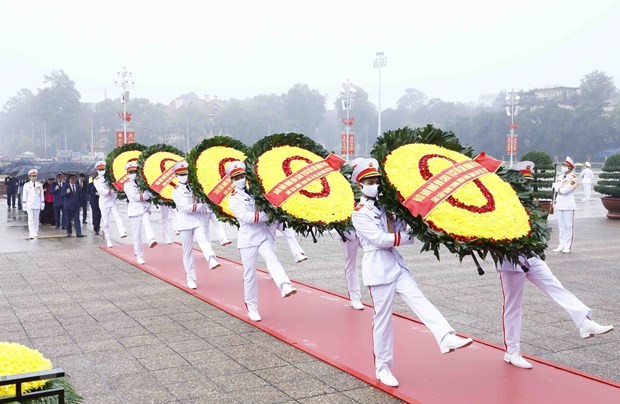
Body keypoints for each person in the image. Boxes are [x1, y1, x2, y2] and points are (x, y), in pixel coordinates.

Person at [351, 158, 472, 387]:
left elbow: (394, 229)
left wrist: (409, 220)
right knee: (383, 321)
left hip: (396, 265)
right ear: (360, 185)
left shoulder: (385, 206)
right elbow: (379, 239)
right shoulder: (359, 213)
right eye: (369, 181)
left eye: (377, 180)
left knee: (420, 300)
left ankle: (446, 336)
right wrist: (407, 237)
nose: (374, 184)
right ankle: (383, 368)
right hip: (377, 269)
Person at [497, 161, 614, 369]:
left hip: (531, 255)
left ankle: (584, 323)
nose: (526, 184)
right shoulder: (500, 202)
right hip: (511, 262)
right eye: (523, 181)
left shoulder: (527, 200)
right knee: (513, 306)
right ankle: (512, 351)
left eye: (528, 181)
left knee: (556, 286)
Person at [226, 160, 297, 322]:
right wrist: (268, 215)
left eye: (242, 176)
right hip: (247, 239)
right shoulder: (234, 198)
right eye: (236, 177)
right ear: (232, 180)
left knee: (272, 259)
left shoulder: (255, 192)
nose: (240, 179)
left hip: (262, 235)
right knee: (249, 274)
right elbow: (246, 217)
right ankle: (252, 307)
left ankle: (285, 285)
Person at [171, 161, 221, 289]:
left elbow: (200, 199)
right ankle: (190, 278)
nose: (184, 176)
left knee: (203, 239)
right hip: (185, 223)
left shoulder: (194, 187)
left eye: (185, 174)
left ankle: (211, 259)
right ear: (176, 176)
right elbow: (184, 208)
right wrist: (201, 206)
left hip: (196, 220)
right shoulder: (176, 191)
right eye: (181, 174)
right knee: (187, 251)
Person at [124, 160, 157, 264]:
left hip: (144, 208)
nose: (132, 174)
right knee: (137, 234)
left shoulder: (142, 182)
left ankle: (151, 239)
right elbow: (134, 197)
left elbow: (149, 192)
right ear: (127, 173)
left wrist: (149, 194)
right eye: (130, 172)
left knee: (147, 223)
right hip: (134, 210)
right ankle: (139, 255)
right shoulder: (127, 185)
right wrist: (146, 196)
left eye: (134, 171)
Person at [93, 161, 128, 248]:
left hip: (112, 200)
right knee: (106, 222)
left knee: (117, 215)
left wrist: (116, 189)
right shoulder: (96, 180)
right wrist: (113, 190)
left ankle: (122, 231)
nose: (102, 171)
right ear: (97, 170)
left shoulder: (110, 177)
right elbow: (102, 191)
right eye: (100, 169)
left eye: (103, 169)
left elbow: (116, 184)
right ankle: (108, 240)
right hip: (104, 202)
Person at [552, 156, 578, 253]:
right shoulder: (559, 177)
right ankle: (561, 244)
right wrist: (558, 188)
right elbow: (559, 189)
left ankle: (568, 245)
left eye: (565, 166)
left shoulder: (573, 178)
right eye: (563, 165)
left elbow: (564, 190)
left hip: (568, 205)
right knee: (561, 226)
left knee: (568, 226)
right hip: (560, 203)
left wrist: (557, 187)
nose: (563, 167)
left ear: (570, 167)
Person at [22, 169, 45, 239]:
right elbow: (24, 195)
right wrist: (24, 205)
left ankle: (35, 232)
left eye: (35, 176)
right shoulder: (26, 185)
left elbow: (42, 195)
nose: (34, 177)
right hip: (30, 204)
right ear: (30, 177)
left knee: (36, 219)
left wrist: (42, 204)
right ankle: (31, 232)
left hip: (37, 204)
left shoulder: (40, 185)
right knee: (31, 219)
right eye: (32, 176)